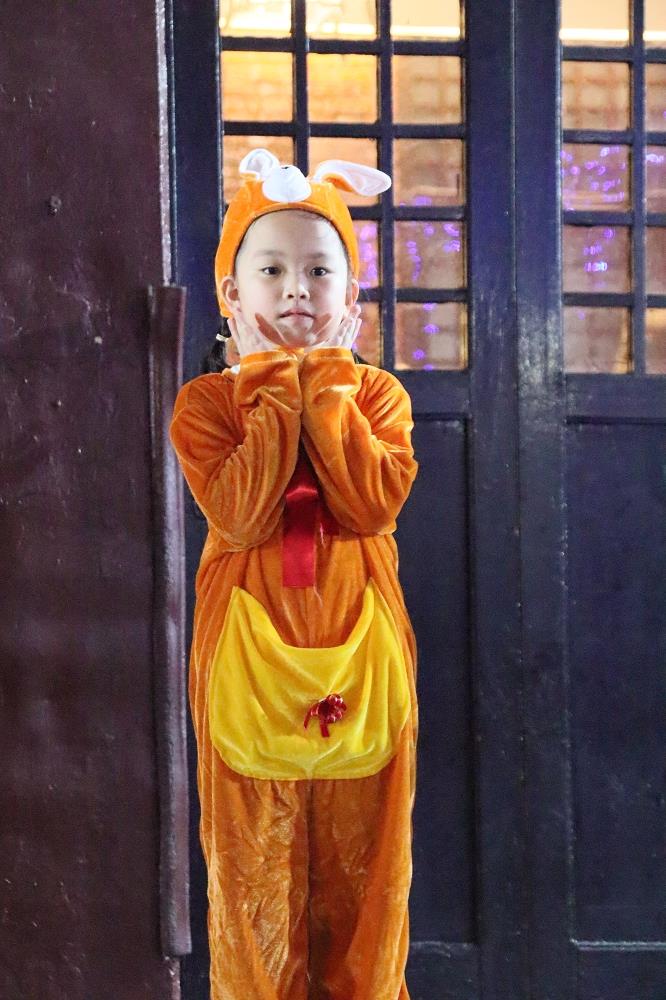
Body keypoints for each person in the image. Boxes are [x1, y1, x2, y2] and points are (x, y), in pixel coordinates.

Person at [168, 148, 420, 1000]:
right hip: (246, 655)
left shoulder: (377, 397)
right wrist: (274, 382)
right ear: (232, 294)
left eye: (319, 270)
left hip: (361, 650)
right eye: (271, 270)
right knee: (251, 885)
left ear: (352, 296)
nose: (296, 290)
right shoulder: (207, 405)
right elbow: (241, 514)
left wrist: (329, 387)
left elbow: (370, 502)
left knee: (368, 877)